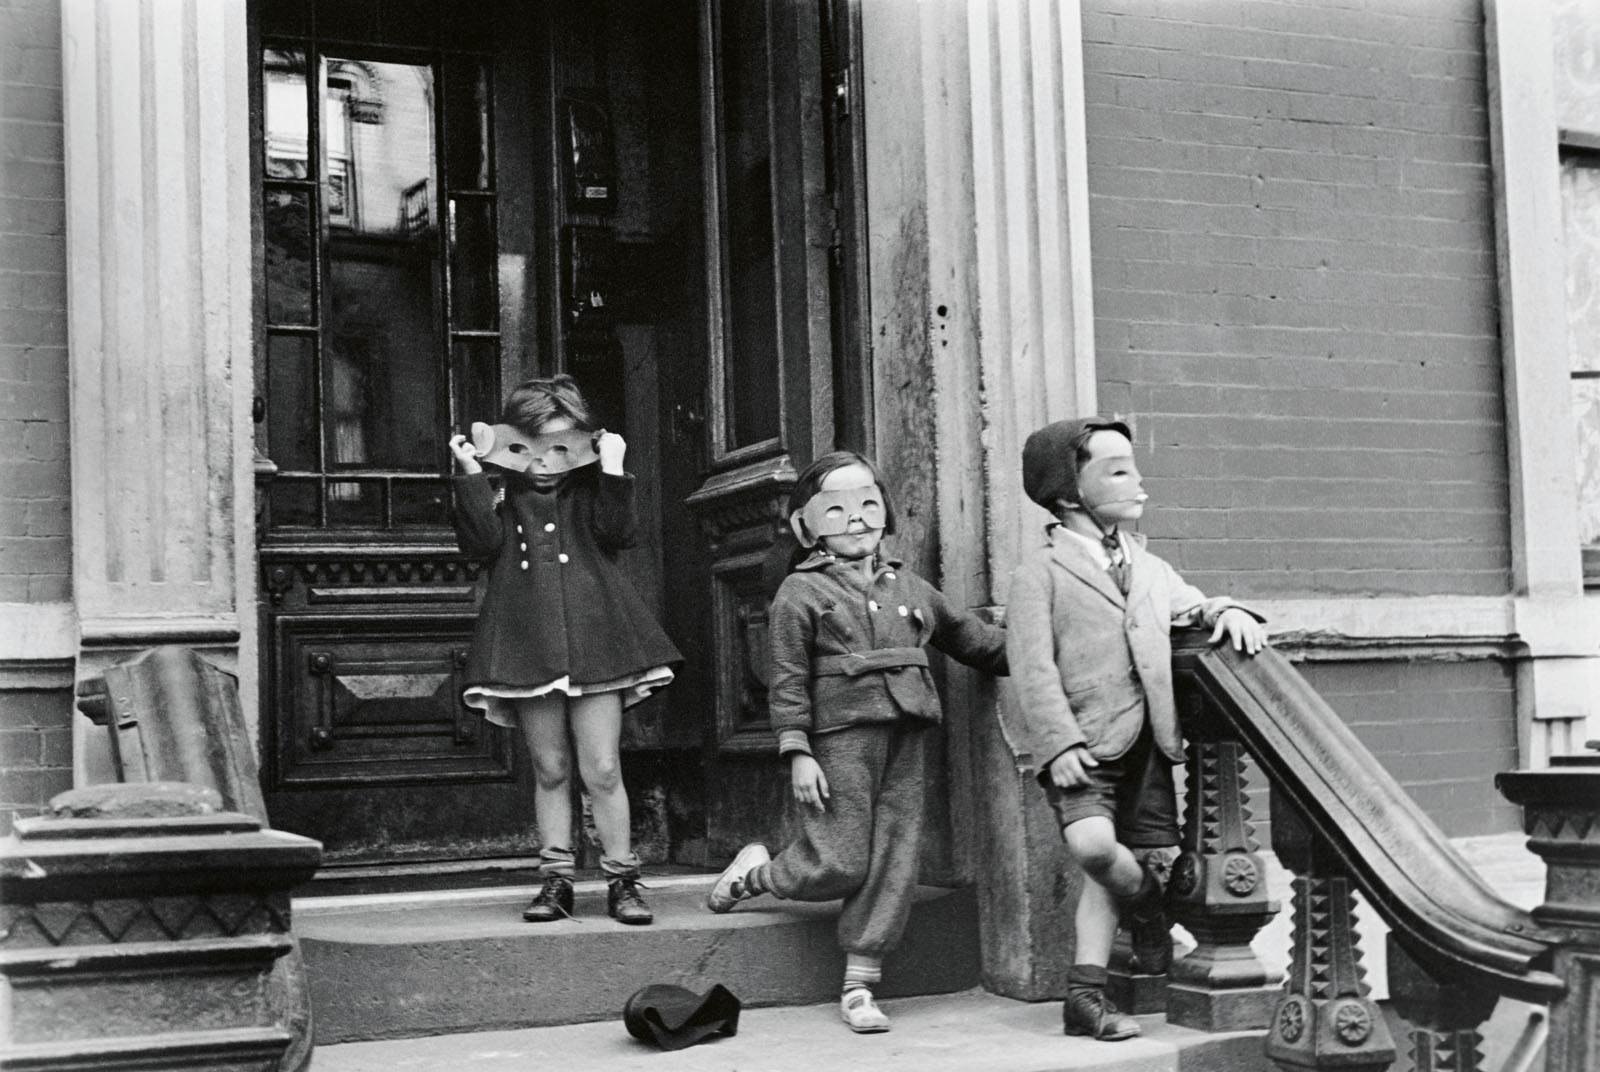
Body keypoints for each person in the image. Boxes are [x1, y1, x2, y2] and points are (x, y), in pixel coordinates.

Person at [704, 451, 1008, 1033]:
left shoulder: (911, 588)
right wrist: (797, 750)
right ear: (806, 526)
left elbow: (974, 641)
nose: (857, 518)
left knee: (895, 859)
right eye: (836, 509)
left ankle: (860, 985)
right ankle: (758, 875)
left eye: (868, 503)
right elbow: (787, 679)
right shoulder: (800, 593)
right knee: (841, 860)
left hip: (907, 737)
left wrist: (1045, 646)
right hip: (839, 742)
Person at [1003, 417, 1266, 1041]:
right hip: (1083, 745)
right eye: (1118, 470)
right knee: (1095, 848)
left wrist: (1223, 608)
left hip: (1148, 742)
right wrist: (1059, 743)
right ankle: (1150, 908)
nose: (1138, 480)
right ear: (1071, 494)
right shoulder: (1038, 572)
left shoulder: (1149, 566)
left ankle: (1085, 999)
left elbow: (1188, 604)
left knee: (1114, 864)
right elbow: (1031, 666)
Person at [448, 374, 681, 926]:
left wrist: (614, 468)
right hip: (527, 642)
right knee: (549, 767)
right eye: (532, 445)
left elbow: (619, 534)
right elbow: (480, 544)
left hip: (597, 640)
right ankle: (556, 880)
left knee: (601, 767)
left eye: (559, 445)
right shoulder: (501, 488)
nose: (546, 463)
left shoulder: (592, 485)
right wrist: (471, 475)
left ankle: (622, 879)